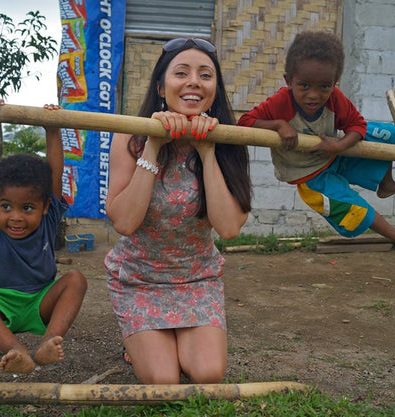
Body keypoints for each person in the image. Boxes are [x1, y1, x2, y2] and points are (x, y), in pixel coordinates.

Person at [104, 38, 252, 384]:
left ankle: (168, 342)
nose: (194, 82)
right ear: (161, 86)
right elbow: (125, 222)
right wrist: (154, 145)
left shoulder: (230, 141)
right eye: (181, 73)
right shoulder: (131, 137)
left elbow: (229, 228)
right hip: (139, 279)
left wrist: (207, 152)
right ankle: (140, 340)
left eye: (205, 75)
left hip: (197, 279)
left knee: (208, 373)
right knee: (162, 381)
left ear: (215, 89)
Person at [237, 31, 395, 258]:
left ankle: (387, 184)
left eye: (324, 86)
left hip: (335, 155)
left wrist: (338, 146)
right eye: (304, 86)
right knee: (356, 210)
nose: (314, 95)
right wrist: (278, 124)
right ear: (289, 81)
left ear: (334, 83)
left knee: (389, 134)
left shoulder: (335, 98)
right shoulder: (280, 103)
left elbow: (357, 126)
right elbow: (244, 123)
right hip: (310, 176)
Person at [0, 99, 87, 374]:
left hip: (40, 302)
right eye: (6, 206)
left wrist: (52, 127)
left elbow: (55, 171)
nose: (15, 216)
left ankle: (49, 342)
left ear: (45, 205)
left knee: (76, 280)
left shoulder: (49, 218)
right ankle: (16, 349)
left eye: (27, 208)